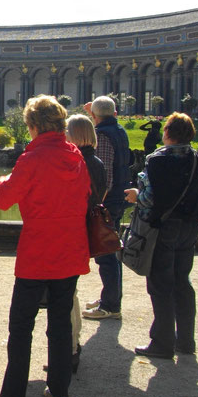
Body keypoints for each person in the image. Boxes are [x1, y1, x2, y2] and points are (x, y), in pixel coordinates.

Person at [0, 95, 90, 397]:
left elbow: (2, 199)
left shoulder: (34, 157)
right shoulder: (76, 156)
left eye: (28, 125)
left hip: (39, 251)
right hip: (70, 250)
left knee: (21, 325)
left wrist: (0, 180)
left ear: (35, 125)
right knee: (59, 323)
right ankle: (59, 390)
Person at [125, 113, 198, 359]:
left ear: (167, 132)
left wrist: (136, 194)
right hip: (189, 226)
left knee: (160, 284)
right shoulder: (194, 157)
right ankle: (186, 340)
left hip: (163, 227)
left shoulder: (158, 159)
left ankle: (162, 343)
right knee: (182, 281)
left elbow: (149, 198)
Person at [59, 114, 107, 372]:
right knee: (71, 290)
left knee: (68, 294)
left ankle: (72, 347)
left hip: (74, 232)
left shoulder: (79, 162)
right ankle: (73, 346)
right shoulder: (96, 161)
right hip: (86, 231)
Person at [82, 96, 132, 320]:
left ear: (95, 115)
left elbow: (104, 179)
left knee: (106, 253)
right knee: (113, 249)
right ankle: (111, 297)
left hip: (108, 202)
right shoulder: (119, 130)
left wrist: (96, 206)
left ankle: (111, 305)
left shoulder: (102, 135)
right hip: (119, 197)